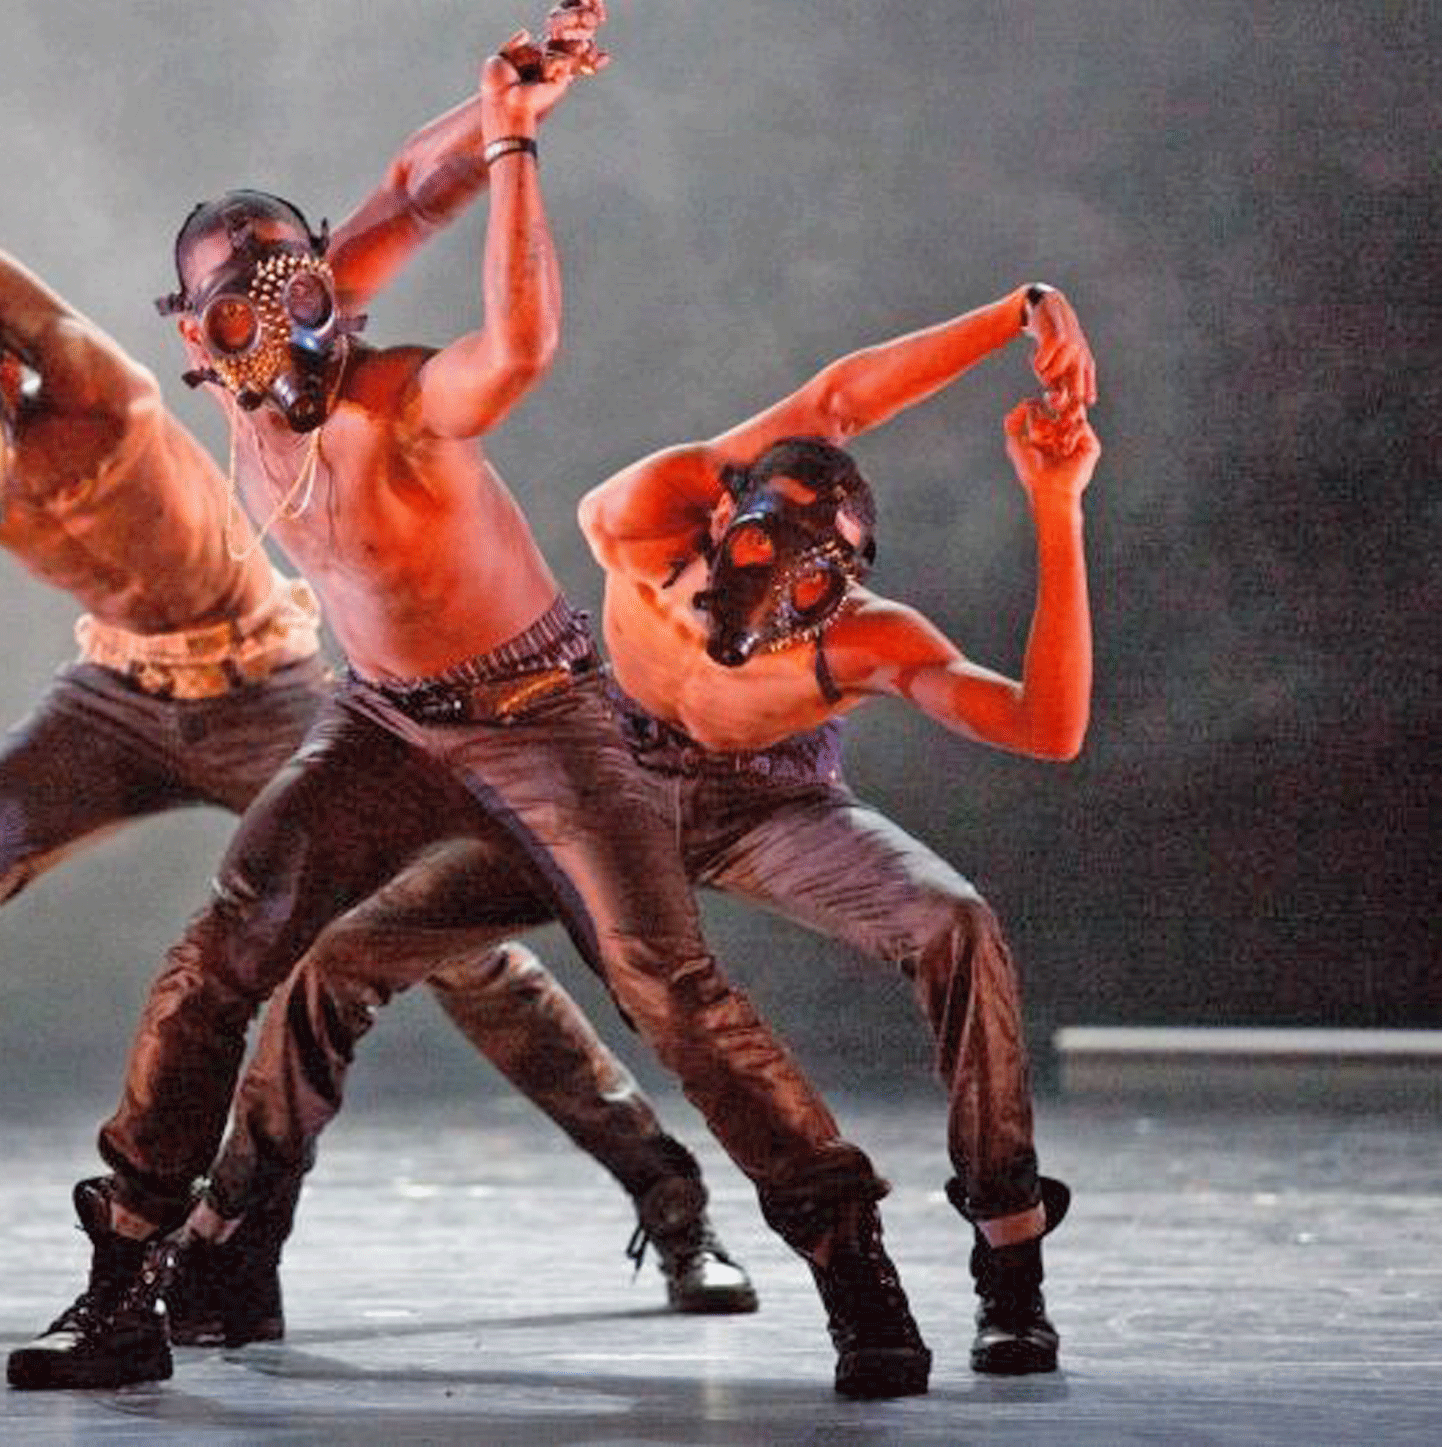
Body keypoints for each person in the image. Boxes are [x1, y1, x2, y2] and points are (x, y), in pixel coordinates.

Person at [0, 0, 749, 1320]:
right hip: (114, 696)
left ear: (16, 375)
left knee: (442, 949)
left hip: (267, 688)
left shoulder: (95, 389)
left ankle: (669, 1195)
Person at [7, 10, 933, 1402]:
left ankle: (855, 1267)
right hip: (381, 723)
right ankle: (131, 1276)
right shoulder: (244, 392)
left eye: (300, 287)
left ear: (327, 285)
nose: (287, 325)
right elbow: (404, 178)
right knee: (227, 948)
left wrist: (512, 132)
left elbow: (517, 338)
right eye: (243, 313)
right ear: (198, 342)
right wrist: (487, 109)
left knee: (665, 987)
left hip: (547, 711)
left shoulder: (391, 399)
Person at [188, 284, 1100, 1378]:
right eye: (759, 552)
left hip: (767, 806)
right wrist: (1016, 314)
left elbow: (1045, 727)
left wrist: (1056, 507)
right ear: (720, 516)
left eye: (807, 584)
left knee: (951, 922)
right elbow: (836, 399)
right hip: (596, 781)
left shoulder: (860, 640)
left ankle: (1003, 1254)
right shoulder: (641, 520)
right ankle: (233, 1241)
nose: (768, 595)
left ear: (841, 590)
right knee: (336, 962)